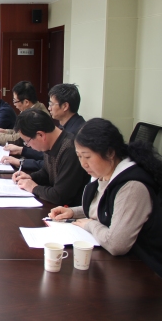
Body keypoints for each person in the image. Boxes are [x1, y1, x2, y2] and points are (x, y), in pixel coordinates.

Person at [49, 118, 162, 276]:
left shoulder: (132, 187)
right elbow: (107, 206)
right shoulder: (105, 173)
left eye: (87, 157)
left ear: (110, 153)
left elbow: (116, 244)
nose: (83, 164)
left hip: (146, 271)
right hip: (122, 265)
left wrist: (90, 225)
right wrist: (74, 212)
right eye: (79, 156)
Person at [11, 109, 90, 206]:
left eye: (27, 141)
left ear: (40, 135)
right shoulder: (50, 143)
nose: (28, 145)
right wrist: (31, 177)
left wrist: (34, 187)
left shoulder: (70, 149)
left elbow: (60, 196)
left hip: (70, 210)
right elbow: (47, 172)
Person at [3, 83, 86, 170]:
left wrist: (22, 160)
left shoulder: (74, 135)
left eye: (51, 104)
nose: (49, 108)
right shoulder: (66, 125)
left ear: (65, 106)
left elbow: (50, 161)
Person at [0, 81, 49, 146]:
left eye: (15, 101)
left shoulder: (36, 116)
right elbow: (19, 132)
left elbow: (18, 140)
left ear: (26, 102)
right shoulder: (31, 109)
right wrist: (6, 131)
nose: (14, 104)